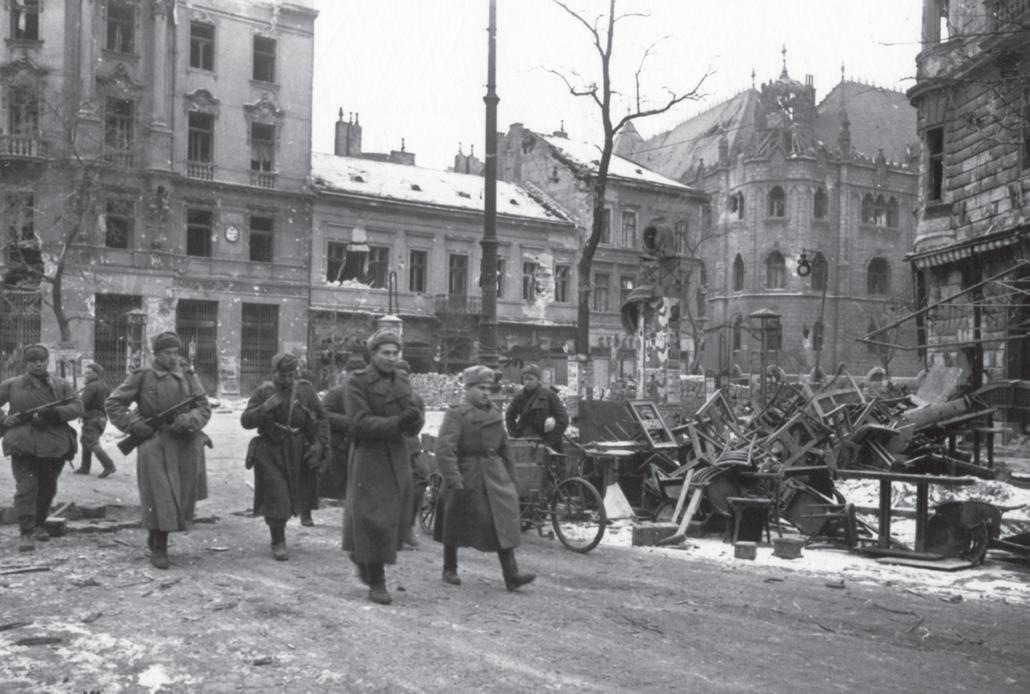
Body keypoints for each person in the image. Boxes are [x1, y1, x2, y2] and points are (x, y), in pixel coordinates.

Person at [106, 331, 211, 570]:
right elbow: (113, 403)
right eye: (167, 353)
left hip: (183, 441)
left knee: (181, 495)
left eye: (176, 352)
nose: (173, 358)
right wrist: (134, 425)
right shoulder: (142, 376)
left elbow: (203, 406)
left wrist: (188, 419)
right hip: (153, 441)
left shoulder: (187, 375)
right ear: (156, 354)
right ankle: (160, 548)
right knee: (159, 494)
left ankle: (156, 537)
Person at [434, 365, 535, 591]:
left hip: (494, 474)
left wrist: (510, 477)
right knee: (454, 519)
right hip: (466, 473)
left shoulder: (494, 415)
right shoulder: (456, 415)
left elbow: (504, 448)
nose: (485, 393)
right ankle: (449, 568)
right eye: (480, 388)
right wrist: (454, 479)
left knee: (502, 521)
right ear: (468, 389)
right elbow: (445, 449)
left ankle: (512, 575)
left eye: (488, 388)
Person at [342, 330, 422, 605]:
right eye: (385, 353)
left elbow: (411, 418)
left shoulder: (402, 380)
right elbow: (359, 422)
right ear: (373, 355)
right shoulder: (357, 381)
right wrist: (399, 423)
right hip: (370, 456)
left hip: (397, 456)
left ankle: (363, 557)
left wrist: (414, 421)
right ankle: (376, 580)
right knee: (373, 517)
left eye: (394, 353)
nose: (390, 358)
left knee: (395, 517)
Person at [241, 352, 329, 557]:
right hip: (270, 451)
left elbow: (322, 417)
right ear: (273, 373)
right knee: (276, 494)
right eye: (282, 376)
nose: (287, 380)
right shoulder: (264, 392)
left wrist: (319, 443)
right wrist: (264, 408)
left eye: (291, 375)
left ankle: (284, 528)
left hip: (298, 449)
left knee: (295, 494)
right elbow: (246, 421)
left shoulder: (305, 390)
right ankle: (278, 540)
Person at [0, 344, 83, 552]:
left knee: (48, 487)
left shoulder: (61, 385)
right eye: (32, 361)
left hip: (54, 443)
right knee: (25, 488)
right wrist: (4, 420)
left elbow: (77, 407)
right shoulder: (12, 385)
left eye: (42, 360)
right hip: (23, 443)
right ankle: (26, 532)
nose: (38, 364)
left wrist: (53, 413)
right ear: (25, 363)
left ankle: (39, 524)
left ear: (48, 361)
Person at [320, 355, 367, 503]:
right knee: (334, 482)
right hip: (338, 444)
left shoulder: (367, 395)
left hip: (361, 445)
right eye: (353, 374)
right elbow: (322, 414)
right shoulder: (336, 393)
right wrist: (348, 422)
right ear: (346, 374)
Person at [395, 359, 426, 548]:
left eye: (405, 375)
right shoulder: (383, 395)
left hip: (411, 446)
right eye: (398, 375)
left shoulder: (415, 398)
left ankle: (408, 526)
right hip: (388, 445)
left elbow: (420, 420)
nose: (402, 378)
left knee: (419, 484)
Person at [504, 363, 569, 451]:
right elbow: (509, 416)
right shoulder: (519, 397)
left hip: (545, 441)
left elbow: (563, 420)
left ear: (538, 379)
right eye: (525, 379)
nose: (527, 382)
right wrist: (515, 436)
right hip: (524, 441)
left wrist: (550, 441)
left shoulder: (549, 395)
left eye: (531, 379)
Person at [75, 362, 116, 478]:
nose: (85, 375)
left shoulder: (91, 387)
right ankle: (84, 467)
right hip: (101, 419)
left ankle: (109, 466)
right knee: (85, 441)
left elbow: (82, 403)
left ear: (96, 374)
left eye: (89, 373)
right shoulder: (104, 385)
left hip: (92, 419)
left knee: (92, 443)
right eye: (85, 373)